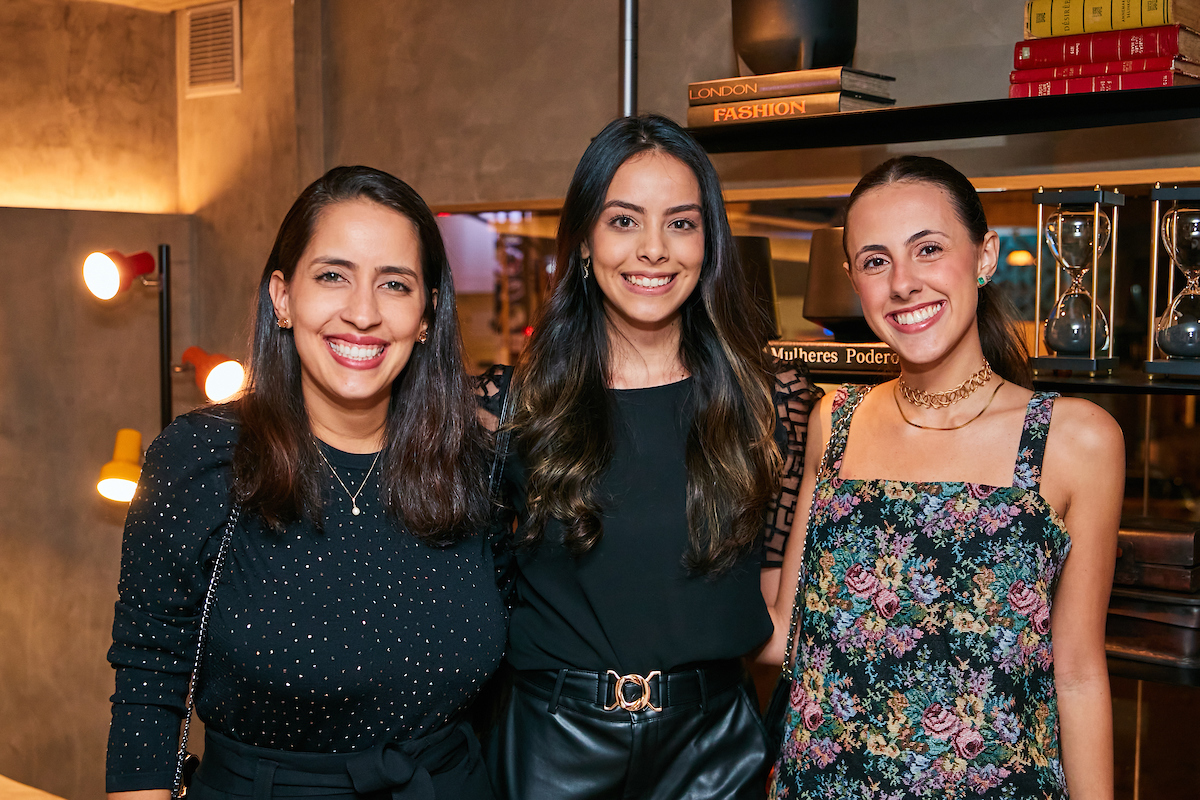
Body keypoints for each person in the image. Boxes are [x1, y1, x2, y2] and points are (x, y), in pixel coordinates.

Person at [106, 166, 506, 800]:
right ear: (283, 297)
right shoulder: (202, 459)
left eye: (395, 284)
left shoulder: (474, 462)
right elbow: (148, 687)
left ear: (427, 313)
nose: (363, 313)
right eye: (333, 276)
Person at [478, 113, 821, 800]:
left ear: (709, 242)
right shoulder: (507, 406)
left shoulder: (772, 404)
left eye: (682, 223)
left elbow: (782, 613)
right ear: (582, 242)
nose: (655, 250)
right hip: (553, 747)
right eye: (625, 221)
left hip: (716, 747)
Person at [764, 156, 1122, 800]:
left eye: (928, 249)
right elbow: (789, 632)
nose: (903, 283)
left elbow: (1078, 676)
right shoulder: (833, 422)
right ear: (854, 280)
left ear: (984, 257)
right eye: (876, 261)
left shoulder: (1075, 440)